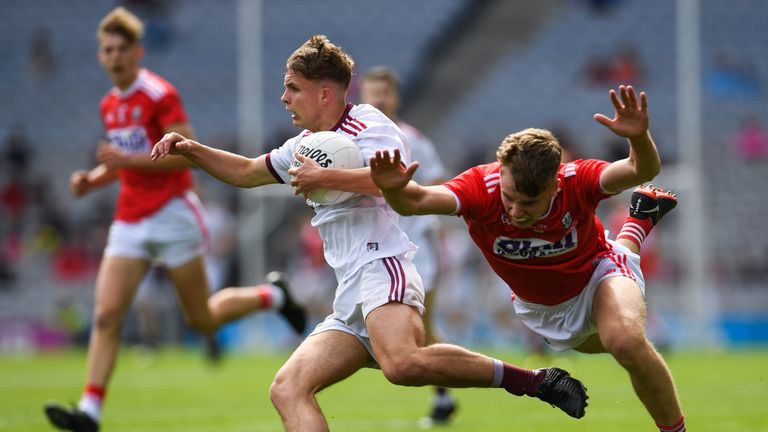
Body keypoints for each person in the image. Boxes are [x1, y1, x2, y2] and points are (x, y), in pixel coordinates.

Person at [151, 35, 588, 431]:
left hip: (384, 265)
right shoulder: (304, 145)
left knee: (402, 365)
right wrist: (192, 150)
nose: (283, 97)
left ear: (324, 93)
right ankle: (534, 379)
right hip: (349, 290)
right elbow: (247, 172)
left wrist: (328, 178)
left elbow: (395, 179)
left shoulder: (368, 125)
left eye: (292, 87)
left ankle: (535, 381)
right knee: (287, 388)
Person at [43, 8, 306, 432]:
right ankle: (90, 410)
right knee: (108, 313)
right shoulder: (110, 104)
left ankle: (272, 296)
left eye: (121, 49)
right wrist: (91, 181)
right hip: (130, 217)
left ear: (137, 52)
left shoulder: (159, 94)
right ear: (100, 56)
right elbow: (122, 161)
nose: (114, 57)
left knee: (200, 318)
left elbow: (184, 152)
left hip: (172, 214)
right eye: (107, 50)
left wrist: (124, 160)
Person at [370, 85, 686, 432]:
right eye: (510, 198)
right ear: (500, 172)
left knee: (626, 342)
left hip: (599, 272)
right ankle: (636, 225)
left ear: (554, 183)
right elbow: (413, 203)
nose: (517, 211)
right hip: (543, 309)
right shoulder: (479, 189)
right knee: (606, 344)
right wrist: (392, 188)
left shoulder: (576, 179)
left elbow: (641, 169)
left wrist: (639, 137)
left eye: (529, 203)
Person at [359, 66, 457, 425]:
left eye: (385, 91)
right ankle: (444, 392)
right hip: (377, 249)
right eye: (372, 91)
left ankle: (446, 394)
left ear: (396, 96)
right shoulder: (355, 139)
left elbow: (439, 186)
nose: (379, 98)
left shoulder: (415, 140)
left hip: (419, 246)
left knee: (423, 325)